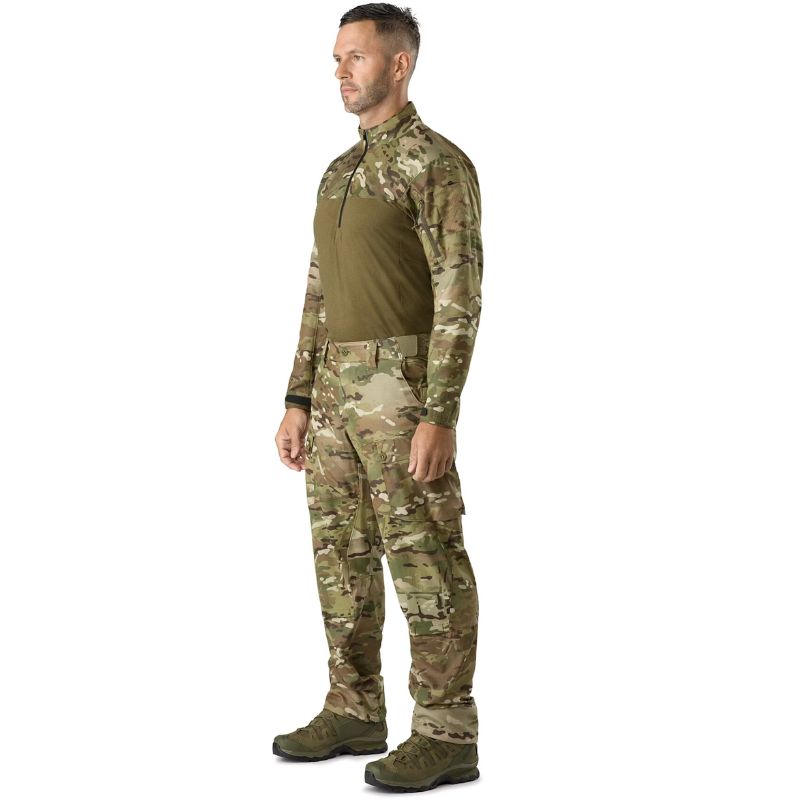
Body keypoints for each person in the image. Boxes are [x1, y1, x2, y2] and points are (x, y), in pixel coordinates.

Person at [273, 4, 484, 791]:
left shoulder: (437, 165)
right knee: (342, 557)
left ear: (399, 64)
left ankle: (447, 731)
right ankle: (355, 707)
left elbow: (460, 294)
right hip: (333, 400)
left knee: (425, 556)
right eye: (336, 58)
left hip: (402, 396)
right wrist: (298, 397)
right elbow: (318, 292)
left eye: (355, 57)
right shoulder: (338, 172)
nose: (340, 71)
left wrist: (440, 413)